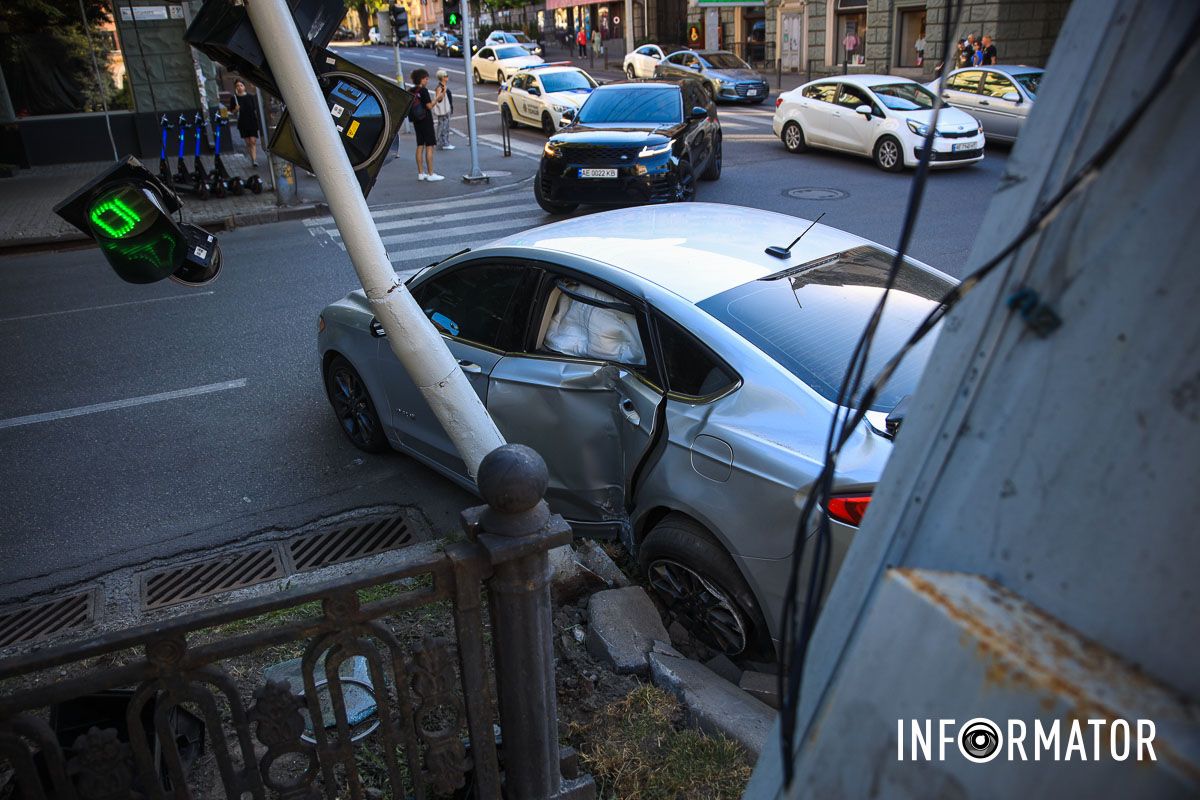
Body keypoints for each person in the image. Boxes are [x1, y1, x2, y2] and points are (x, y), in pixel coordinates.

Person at [409, 68, 443, 181]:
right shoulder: (423, 91)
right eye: (426, 79)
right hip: (426, 121)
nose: (427, 81)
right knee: (429, 146)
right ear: (421, 79)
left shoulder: (411, 90)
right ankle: (431, 174)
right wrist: (437, 98)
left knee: (419, 145)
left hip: (416, 121)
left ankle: (420, 173)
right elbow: (429, 106)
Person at [231, 80, 260, 167]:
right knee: (248, 142)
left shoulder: (250, 97)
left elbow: (255, 109)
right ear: (235, 88)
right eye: (237, 86)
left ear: (244, 86)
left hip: (252, 121)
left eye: (241, 85)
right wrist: (236, 109)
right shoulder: (234, 98)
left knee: (253, 141)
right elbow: (232, 111)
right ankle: (252, 158)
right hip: (242, 122)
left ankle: (255, 160)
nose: (239, 87)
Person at [432, 69, 455, 151]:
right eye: (446, 76)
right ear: (442, 77)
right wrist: (444, 91)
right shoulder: (440, 87)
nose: (447, 77)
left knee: (445, 126)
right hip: (443, 110)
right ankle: (444, 143)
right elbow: (439, 98)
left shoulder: (442, 86)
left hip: (446, 109)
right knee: (443, 126)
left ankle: (444, 142)